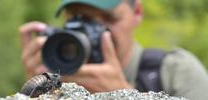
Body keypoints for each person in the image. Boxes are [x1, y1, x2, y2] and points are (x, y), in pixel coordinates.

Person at [19, 0, 208, 99]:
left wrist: (122, 94)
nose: (96, 33)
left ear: (137, 13)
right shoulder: (55, 76)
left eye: (109, 19)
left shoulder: (175, 73)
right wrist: (35, 92)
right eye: (78, 18)